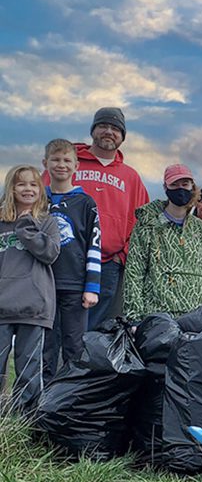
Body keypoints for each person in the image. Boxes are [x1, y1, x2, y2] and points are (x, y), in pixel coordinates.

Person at [55, 107, 148, 329]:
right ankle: (56, 365)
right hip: (64, 259)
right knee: (58, 324)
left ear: (122, 136)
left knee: (95, 329)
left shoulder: (130, 177)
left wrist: (121, 256)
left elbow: (142, 222)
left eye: (116, 128)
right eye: (103, 126)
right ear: (93, 130)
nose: (109, 132)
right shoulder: (67, 163)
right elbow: (39, 200)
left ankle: (84, 365)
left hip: (107, 264)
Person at [123, 164, 202, 322]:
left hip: (197, 317)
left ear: (192, 186)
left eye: (185, 184)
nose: (180, 189)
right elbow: (134, 271)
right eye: (174, 184)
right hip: (158, 315)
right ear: (165, 187)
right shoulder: (147, 224)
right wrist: (134, 317)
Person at [0, 165, 60, 413]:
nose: (27, 189)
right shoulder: (2, 222)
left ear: (41, 190)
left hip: (34, 306)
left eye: (33, 184)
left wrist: (27, 227)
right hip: (2, 306)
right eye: (21, 184)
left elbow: (51, 254)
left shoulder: (47, 223)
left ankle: (24, 421)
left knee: (29, 369)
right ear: (11, 189)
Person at [42, 139, 101, 381]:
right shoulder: (38, 201)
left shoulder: (86, 203)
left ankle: (69, 400)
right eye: (55, 160)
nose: (61, 165)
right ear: (45, 163)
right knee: (45, 346)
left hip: (75, 285)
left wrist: (92, 286)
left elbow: (94, 245)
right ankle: (37, 402)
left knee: (74, 347)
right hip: (42, 285)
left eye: (67, 160)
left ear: (76, 166)